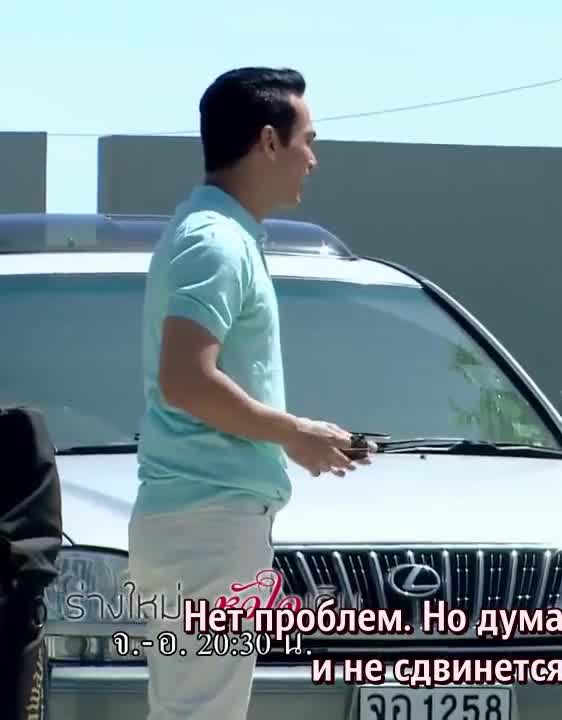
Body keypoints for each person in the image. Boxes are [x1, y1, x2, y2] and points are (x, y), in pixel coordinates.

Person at [128, 67, 372, 720]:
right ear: (268, 142)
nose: (313, 159)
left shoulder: (217, 235)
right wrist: (294, 432)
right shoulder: (215, 243)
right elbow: (187, 378)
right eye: (307, 141)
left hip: (204, 523)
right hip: (207, 526)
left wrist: (291, 438)